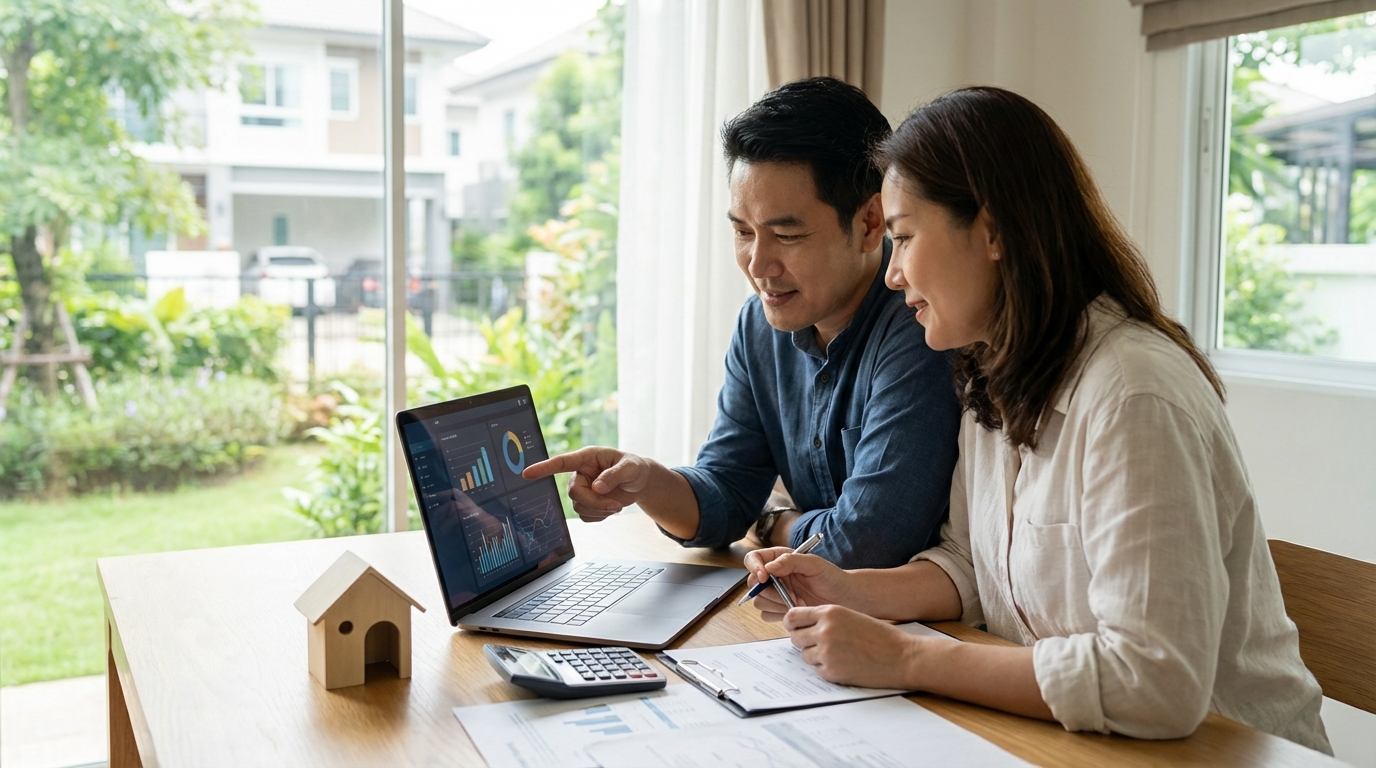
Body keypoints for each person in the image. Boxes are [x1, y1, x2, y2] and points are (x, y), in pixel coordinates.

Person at [744, 86, 1331, 753]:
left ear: (992, 232)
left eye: (904, 238)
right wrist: (854, 590)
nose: (892, 275)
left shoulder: (1133, 393)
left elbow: (1155, 681)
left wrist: (906, 659)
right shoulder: (993, 375)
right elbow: (973, 566)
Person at [522, 78, 961, 568]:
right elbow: (729, 495)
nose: (758, 264)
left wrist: (774, 521)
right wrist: (646, 480)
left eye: (787, 235)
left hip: (913, 629)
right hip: (812, 617)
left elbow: (866, 544)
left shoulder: (922, 325)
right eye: (742, 232)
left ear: (869, 223)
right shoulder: (761, 323)